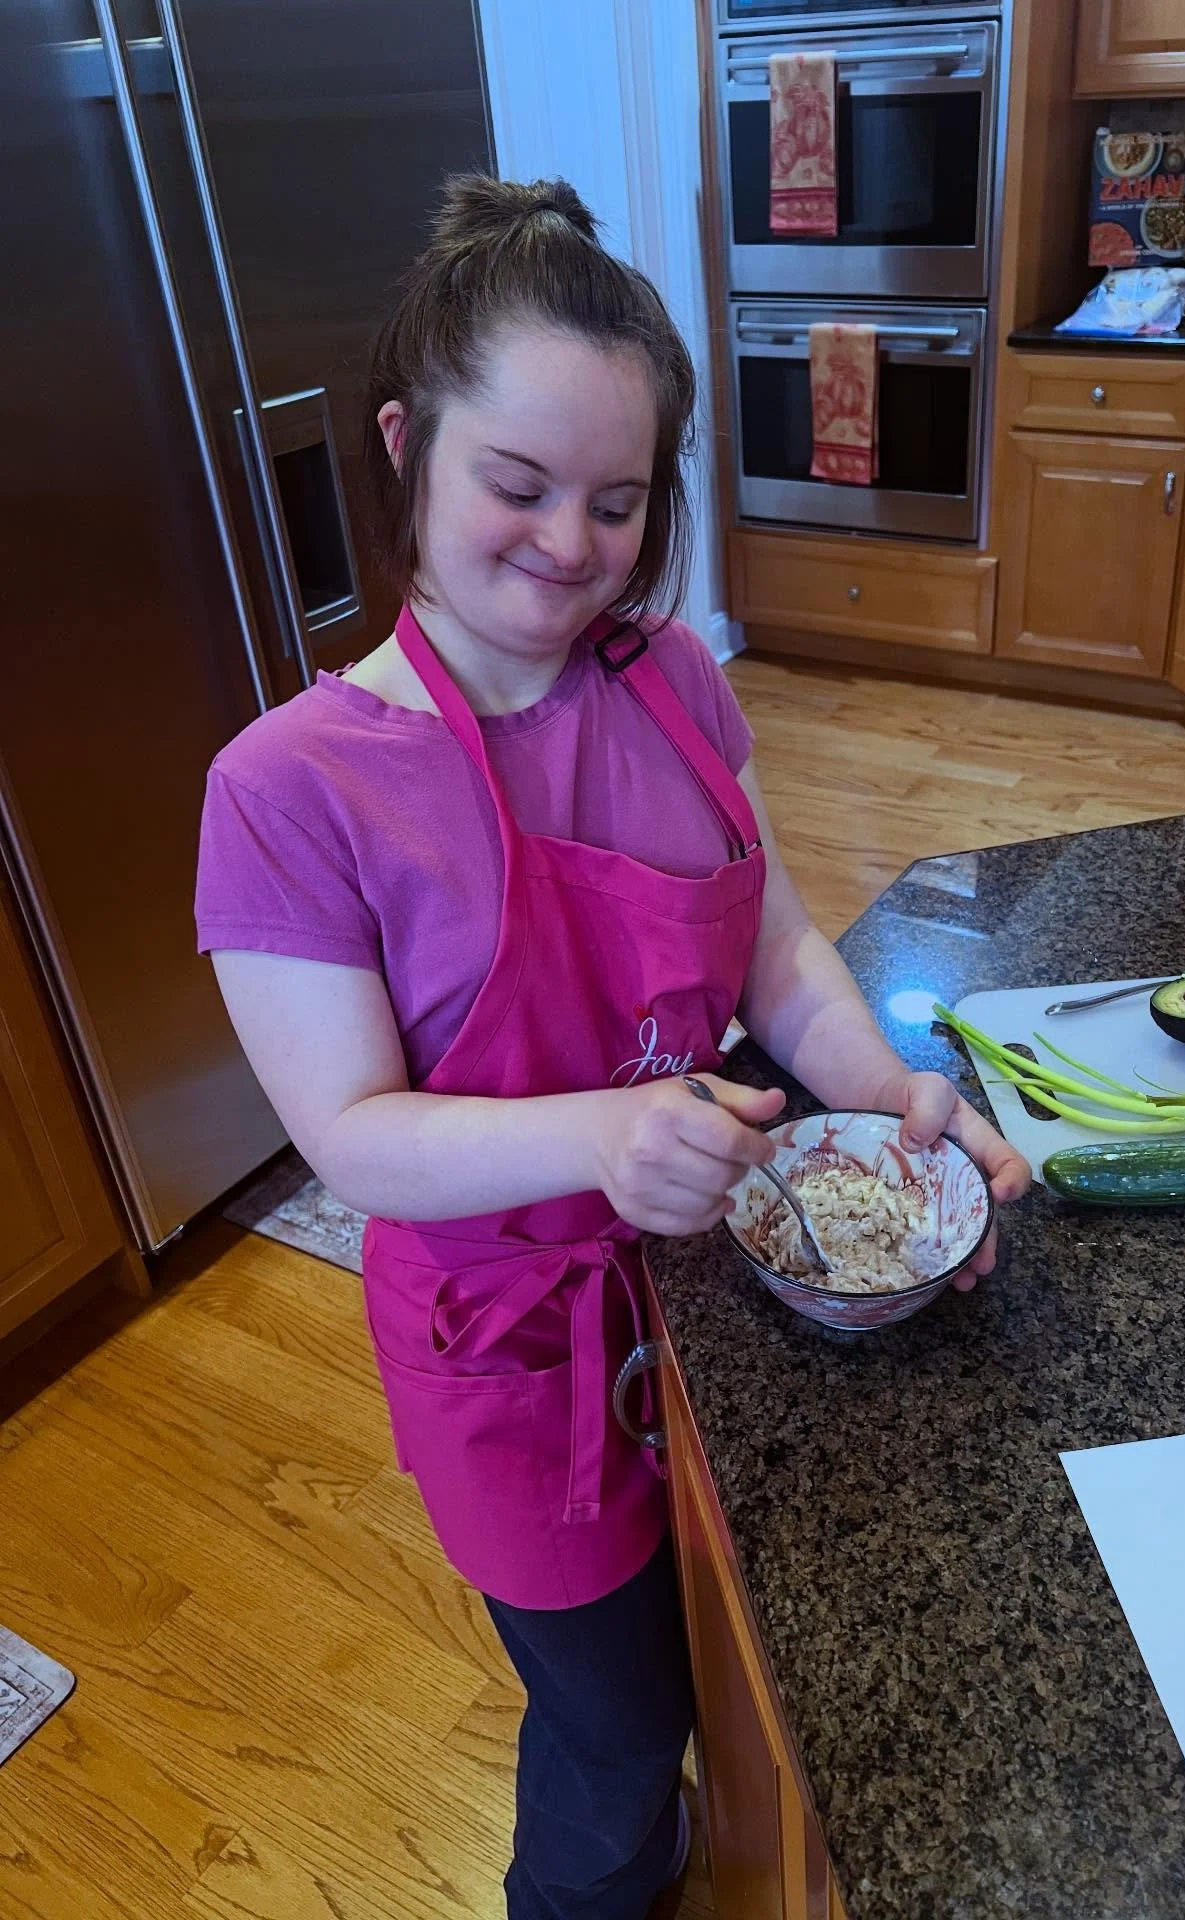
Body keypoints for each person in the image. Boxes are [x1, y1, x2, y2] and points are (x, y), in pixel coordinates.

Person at [195, 173, 1029, 1920]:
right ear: (406, 445)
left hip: (723, 1290)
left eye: (617, 502)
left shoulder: (670, 682)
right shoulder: (289, 791)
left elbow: (779, 940)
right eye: (518, 484)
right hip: (518, 1364)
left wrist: (886, 1092)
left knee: (748, 1655)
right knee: (614, 1724)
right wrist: (601, 1136)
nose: (569, 546)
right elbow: (352, 1136)